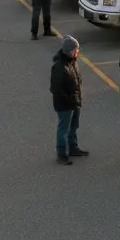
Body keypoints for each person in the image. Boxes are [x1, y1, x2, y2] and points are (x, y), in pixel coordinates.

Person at [50, 35, 87, 165]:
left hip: (74, 101)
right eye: (75, 50)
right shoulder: (59, 67)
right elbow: (55, 89)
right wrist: (70, 99)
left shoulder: (73, 61)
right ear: (68, 50)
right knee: (63, 129)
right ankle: (61, 154)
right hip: (65, 105)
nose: (77, 52)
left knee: (73, 126)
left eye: (77, 49)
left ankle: (73, 148)